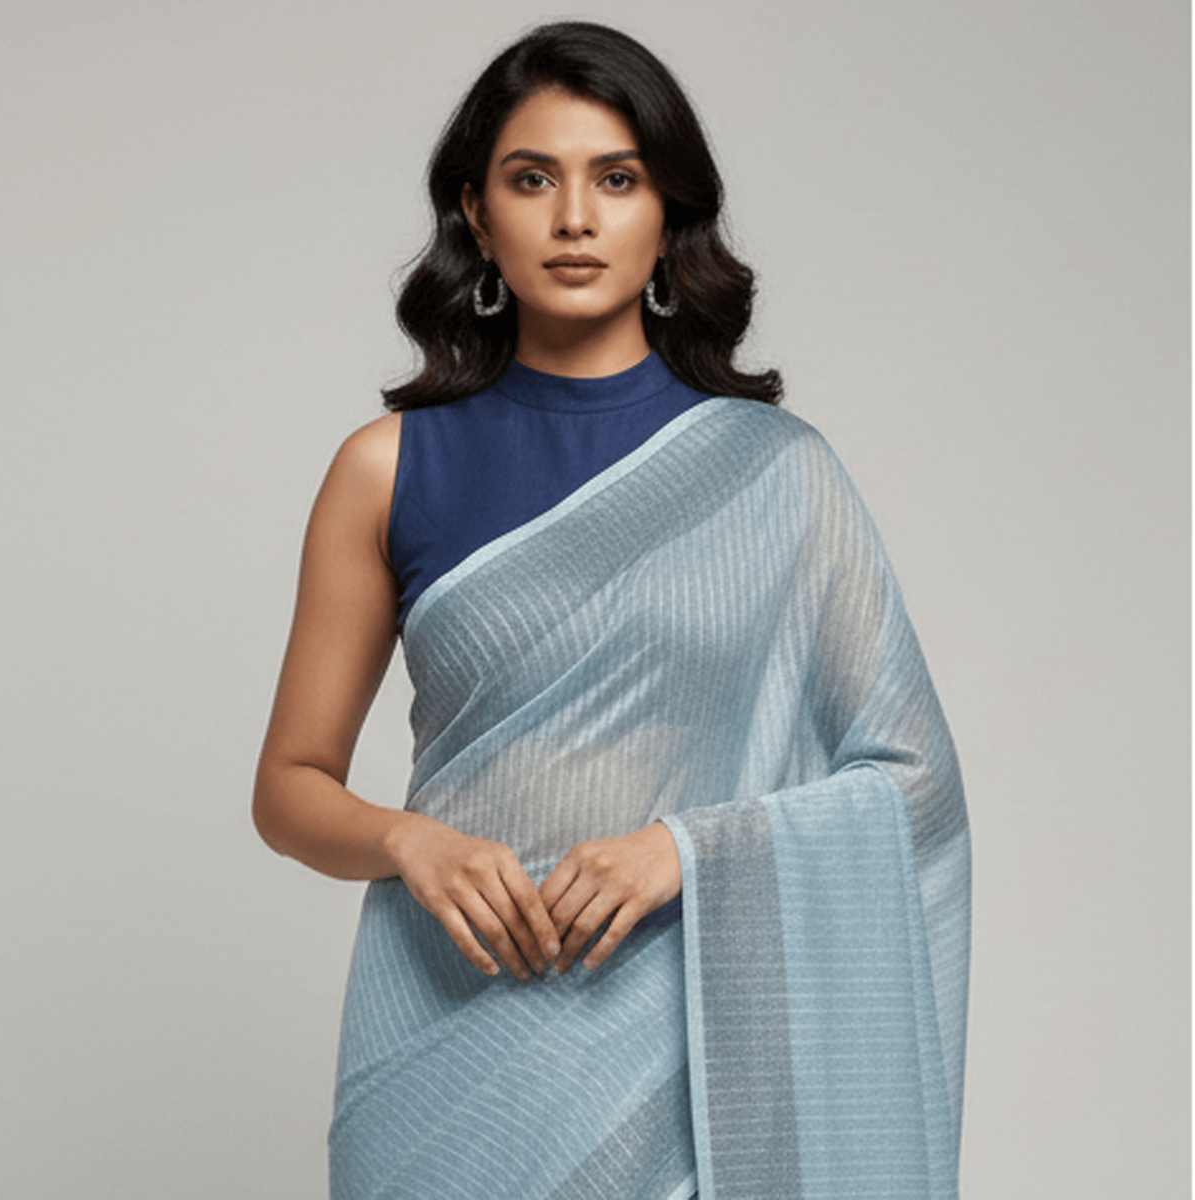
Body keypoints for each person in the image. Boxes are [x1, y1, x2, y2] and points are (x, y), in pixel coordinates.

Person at [254, 21, 970, 1200]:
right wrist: (408, 840)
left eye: (616, 179)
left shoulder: (776, 473)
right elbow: (288, 788)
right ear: (479, 217)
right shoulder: (387, 468)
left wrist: (684, 852)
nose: (575, 218)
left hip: (684, 1060)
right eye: (532, 179)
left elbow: (912, 782)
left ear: (666, 214)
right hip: (443, 1049)